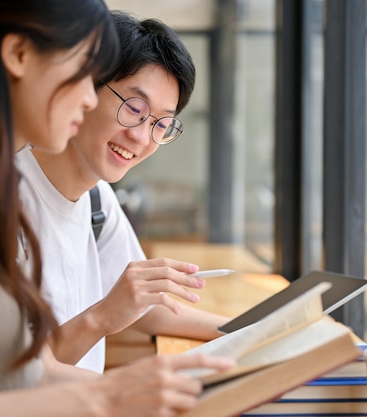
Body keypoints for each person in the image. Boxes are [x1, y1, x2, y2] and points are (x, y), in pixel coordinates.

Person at [0, 1, 234, 416]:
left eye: (160, 124)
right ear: (19, 55)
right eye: (83, 72)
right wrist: (107, 395)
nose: (89, 97)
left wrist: (134, 390)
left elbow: (25, 372)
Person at [15, 10, 230, 372]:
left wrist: (252, 330)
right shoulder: (0, 200)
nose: (142, 137)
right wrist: (101, 317)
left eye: (162, 124)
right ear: (85, 90)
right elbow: (18, 376)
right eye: (134, 108)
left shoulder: (98, 199)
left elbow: (145, 306)